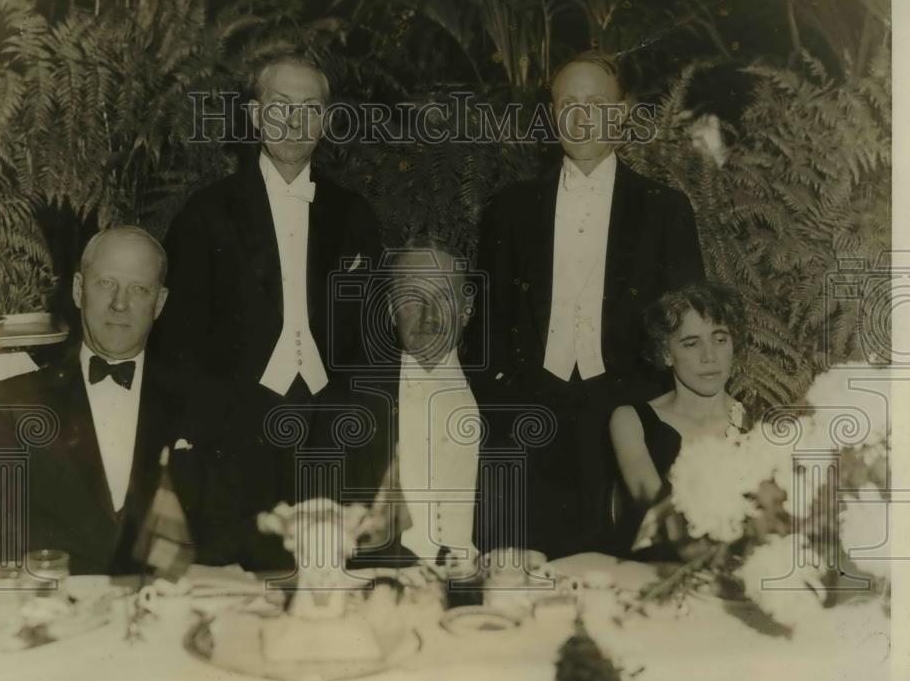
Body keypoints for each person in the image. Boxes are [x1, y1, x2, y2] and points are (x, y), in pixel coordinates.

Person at [469, 51, 706, 560]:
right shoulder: (511, 208)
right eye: (567, 103)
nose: (580, 117)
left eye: (596, 103)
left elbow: (685, 329)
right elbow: (488, 325)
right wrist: (503, 400)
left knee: (627, 579)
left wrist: (650, 412)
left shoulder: (664, 209)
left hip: (629, 414)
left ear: (622, 113)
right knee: (517, 577)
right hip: (528, 413)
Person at [152, 50, 382, 569]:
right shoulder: (208, 213)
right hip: (236, 437)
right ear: (255, 114)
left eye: (310, 108)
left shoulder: (354, 216)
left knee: (329, 585)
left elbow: (369, 345)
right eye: (280, 106)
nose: (295, 122)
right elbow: (179, 344)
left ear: (325, 120)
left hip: (330, 437)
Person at [0, 227, 197, 576]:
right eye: (106, 283)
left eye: (139, 289)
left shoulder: (202, 404)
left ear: (159, 303)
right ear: (79, 290)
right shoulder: (12, 404)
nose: (120, 303)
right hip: (55, 618)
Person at [358, 239, 481, 567]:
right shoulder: (353, 397)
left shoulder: (507, 395)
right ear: (389, 308)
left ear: (466, 308)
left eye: (442, 297)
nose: (429, 317)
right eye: (412, 299)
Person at [608, 282, 747, 556]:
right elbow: (657, 508)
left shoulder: (759, 424)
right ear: (666, 353)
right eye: (691, 343)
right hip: (661, 572)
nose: (709, 356)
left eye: (720, 339)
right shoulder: (631, 420)